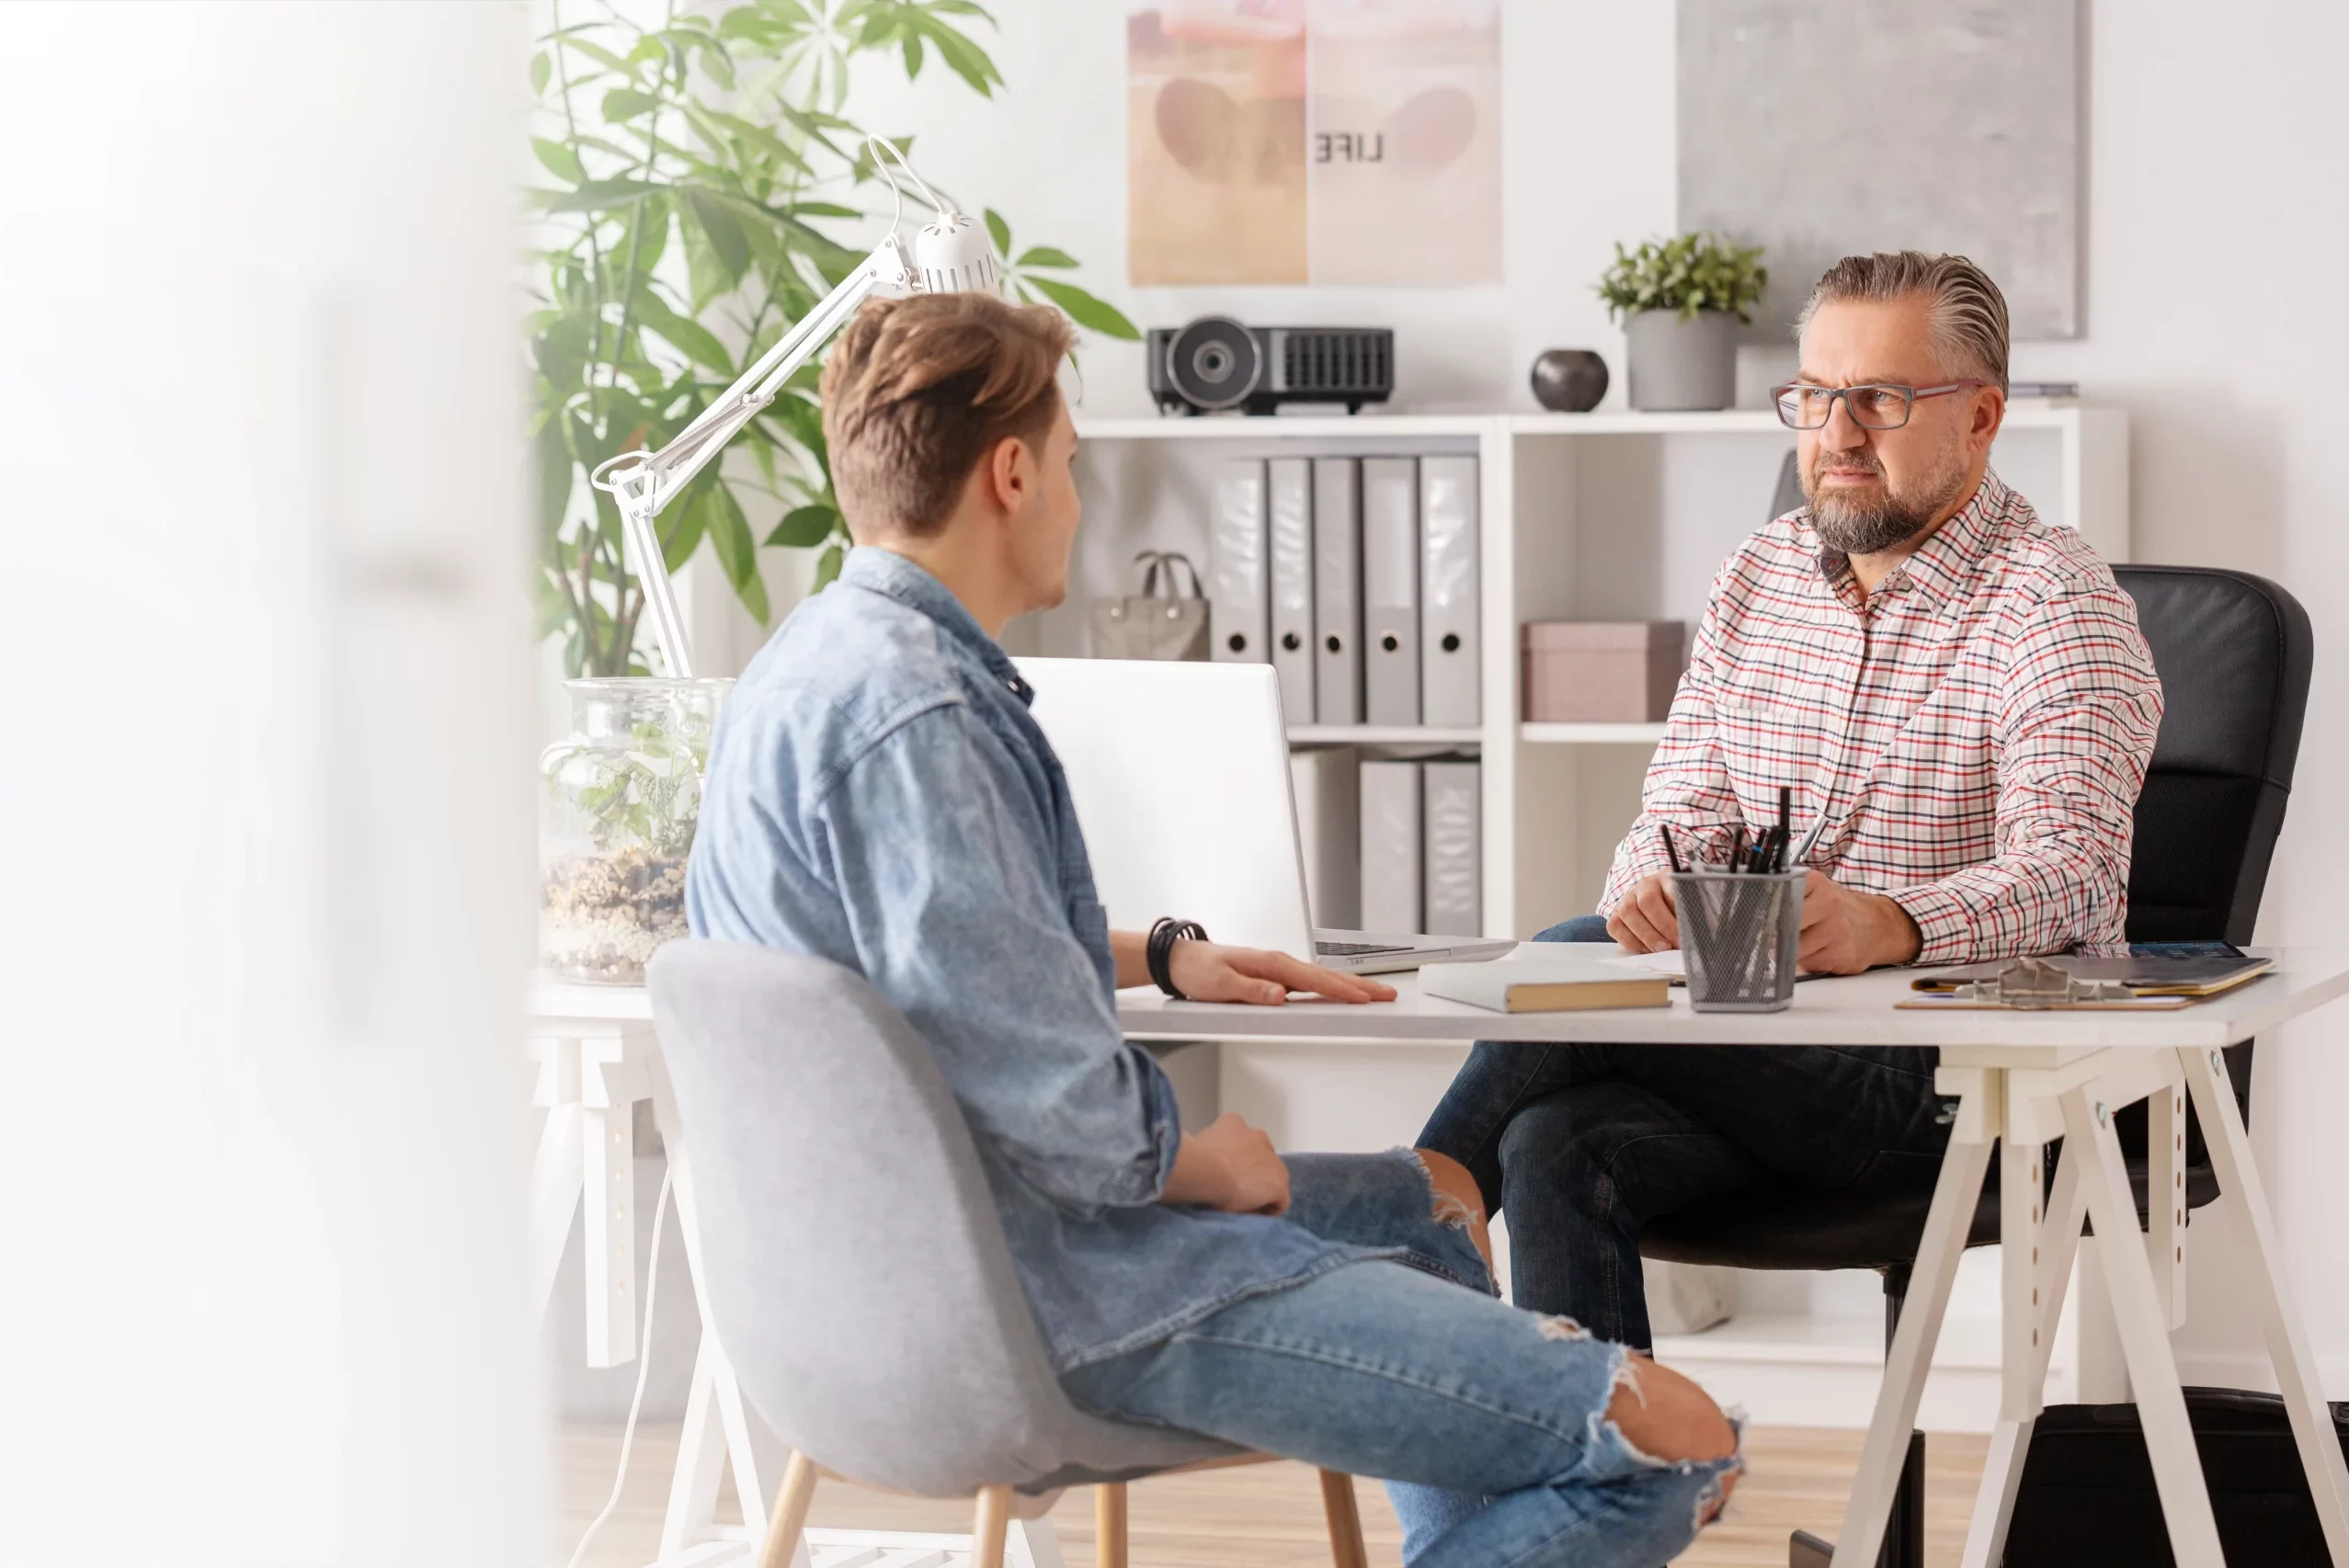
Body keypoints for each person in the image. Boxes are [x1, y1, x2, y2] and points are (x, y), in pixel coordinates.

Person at [687, 290, 1740, 1566]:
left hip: (863, 1307)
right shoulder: (927, 720)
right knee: (1670, 1441)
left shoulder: (803, 671)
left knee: (1426, 1207)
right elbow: (1068, 1119)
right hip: (1063, 1294)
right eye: (1074, 465)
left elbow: (922, 973)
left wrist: (1161, 955)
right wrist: (1201, 1165)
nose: (1079, 499)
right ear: (1011, 472)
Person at [1419, 251, 2165, 1347]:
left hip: (1950, 1082)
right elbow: (1678, 798)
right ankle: (1606, 1488)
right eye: (1814, 397)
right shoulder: (1758, 576)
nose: (1836, 433)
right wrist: (1654, 889)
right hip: (1756, 1051)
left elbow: (2073, 872)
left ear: (1981, 416)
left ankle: (1404, 1226)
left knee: (1559, 948)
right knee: (1552, 1142)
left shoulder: (2051, 600)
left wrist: (1890, 922)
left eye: (1879, 398)